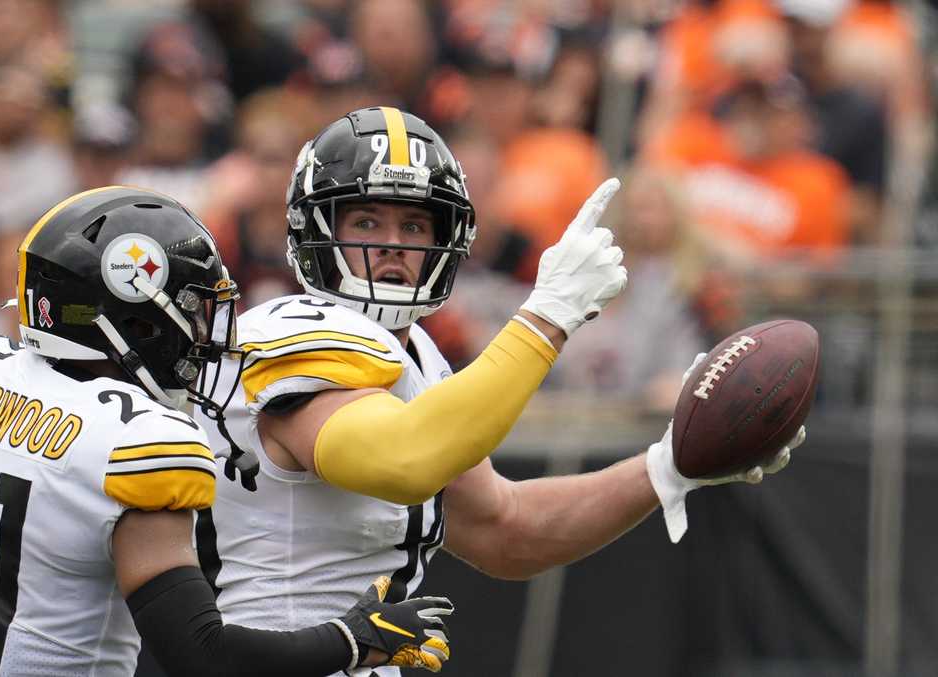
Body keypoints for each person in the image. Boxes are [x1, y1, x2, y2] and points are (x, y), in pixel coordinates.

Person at [195, 107, 807, 675]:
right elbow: (398, 460)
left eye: (413, 223)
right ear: (314, 230)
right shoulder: (288, 329)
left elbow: (506, 530)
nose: (392, 243)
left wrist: (668, 466)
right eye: (365, 220)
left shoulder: (421, 358)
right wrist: (546, 318)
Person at [0, 187, 458, 676]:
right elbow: (201, 655)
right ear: (135, 321)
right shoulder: (136, 441)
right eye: (190, 309)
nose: (200, 332)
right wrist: (351, 639)